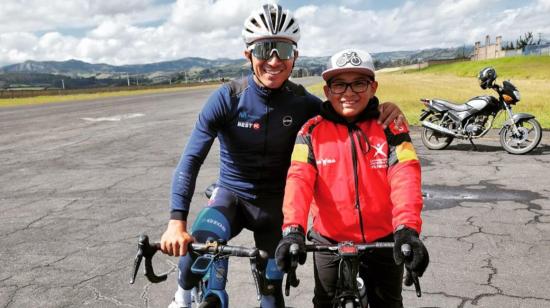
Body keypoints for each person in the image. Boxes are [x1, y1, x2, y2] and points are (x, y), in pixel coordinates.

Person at [160, 4, 406, 308]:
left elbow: (348, 109)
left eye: (284, 51)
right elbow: (191, 158)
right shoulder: (228, 98)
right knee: (194, 253)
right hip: (231, 197)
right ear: (248, 54)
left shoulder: (304, 104)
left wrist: (382, 107)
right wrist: (175, 221)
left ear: (296, 56)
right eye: (265, 49)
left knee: (272, 296)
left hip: (277, 207)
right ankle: (183, 294)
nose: (274, 60)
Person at [274, 48, 429, 308]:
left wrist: (407, 230)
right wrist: (293, 231)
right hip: (329, 239)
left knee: (389, 303)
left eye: (359, 83)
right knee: (324, 302)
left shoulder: (391, 126)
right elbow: (298, 181)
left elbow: (405, 175)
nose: (348, 93)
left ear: (373, 87)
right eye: (339, 85)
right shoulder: (310, 131)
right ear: (327, 91)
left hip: (384, 237)